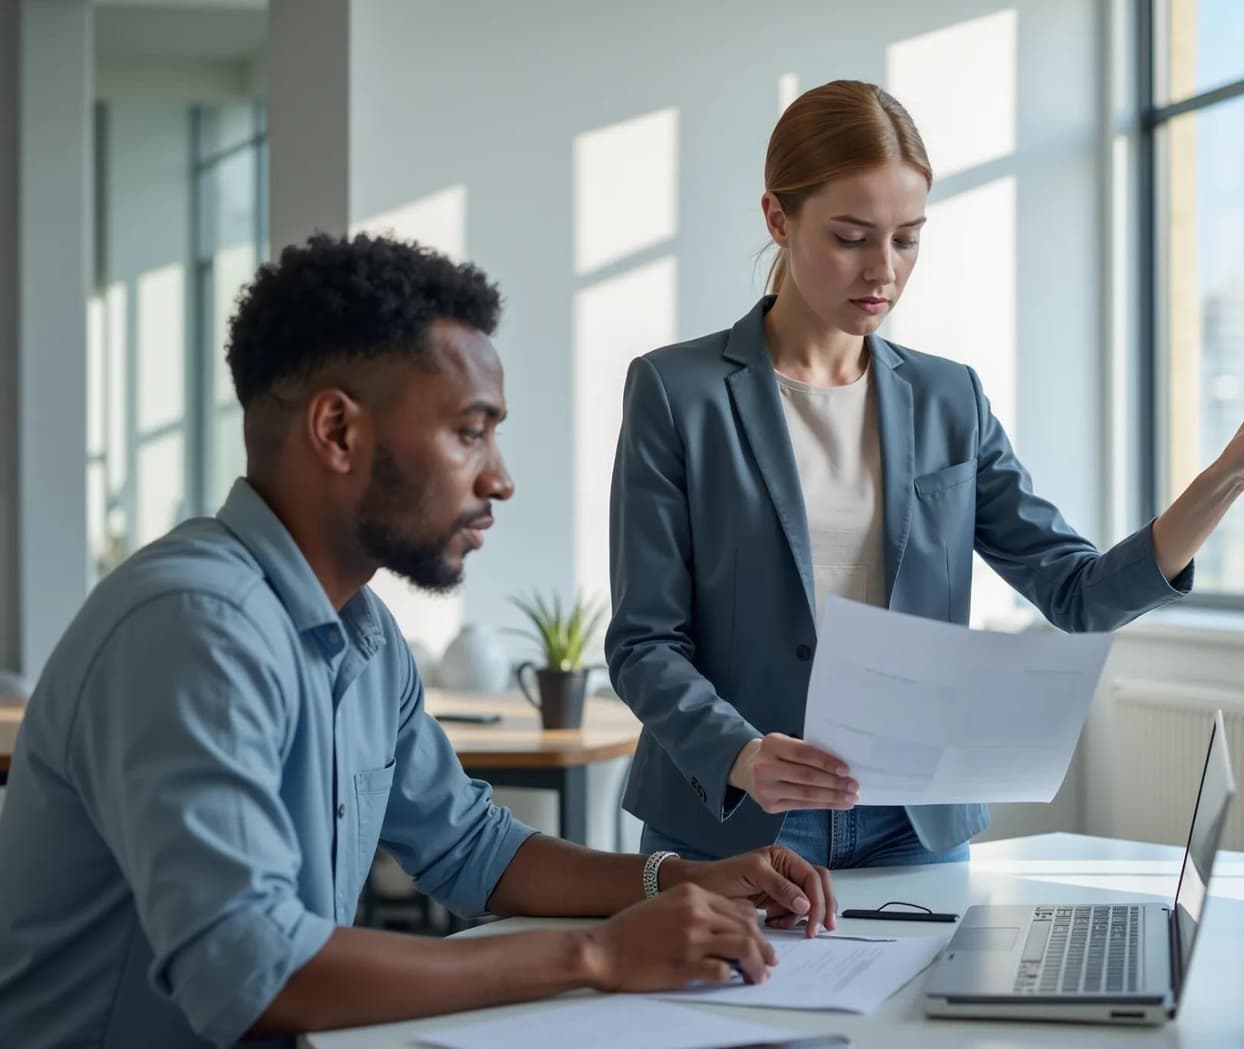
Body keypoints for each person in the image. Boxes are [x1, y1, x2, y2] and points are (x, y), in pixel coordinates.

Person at [0, 234, 836, 1049]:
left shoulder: (363, 634)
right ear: (337, 430)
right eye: (470, 431)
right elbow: (249, 969)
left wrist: (674, 878)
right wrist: (600, 952)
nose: (500, 477)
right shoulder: (194, 629)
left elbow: (472, 848)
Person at [609, 80, 1244, 870]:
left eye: (907, 238)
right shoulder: (679, 393)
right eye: (850, 236)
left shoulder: (951, 398)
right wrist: (744, 754)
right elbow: (646, 641)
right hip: (734, 819)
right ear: (778, 218)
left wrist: (1225, 477)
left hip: (910, 825)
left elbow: (1079, 592)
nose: (882, 269)